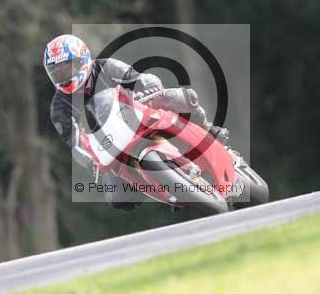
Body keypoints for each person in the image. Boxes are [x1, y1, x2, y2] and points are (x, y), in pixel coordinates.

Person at [44, 34, 228, 210]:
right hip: (109, 144)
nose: (64, 77)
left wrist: (148, 88)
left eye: (67, 68)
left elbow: (139, 79)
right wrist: (90, 162)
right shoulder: (59, 108)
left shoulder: (105, 67)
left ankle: (208, 128)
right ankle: (168, 189)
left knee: (180, 97)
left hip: (137, 114)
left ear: (82, 59)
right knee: (118, 198)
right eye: (57, 73)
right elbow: (75, 144)